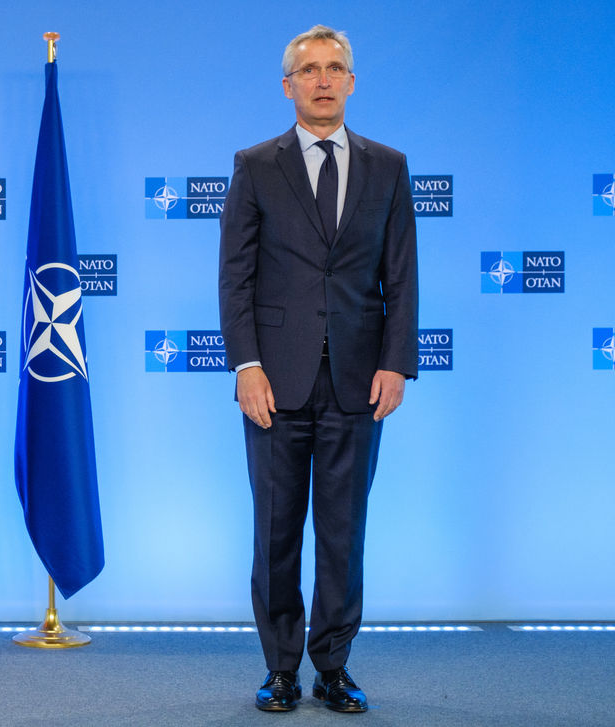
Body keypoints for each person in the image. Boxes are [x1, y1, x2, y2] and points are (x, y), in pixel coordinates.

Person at [218, 24, 418, 713]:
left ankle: (333, 665)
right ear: (289, 85)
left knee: (343, 533)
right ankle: (280, 668)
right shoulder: (255, 164)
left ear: (352, 82)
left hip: (358, 383)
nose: (323, 79)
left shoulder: (388, 167)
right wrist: (245, 363)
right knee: (276, 530)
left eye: (335, 68)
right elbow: (235, 277)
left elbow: (401, 277)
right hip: (274, 382)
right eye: (310, 70)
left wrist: (397, 364)